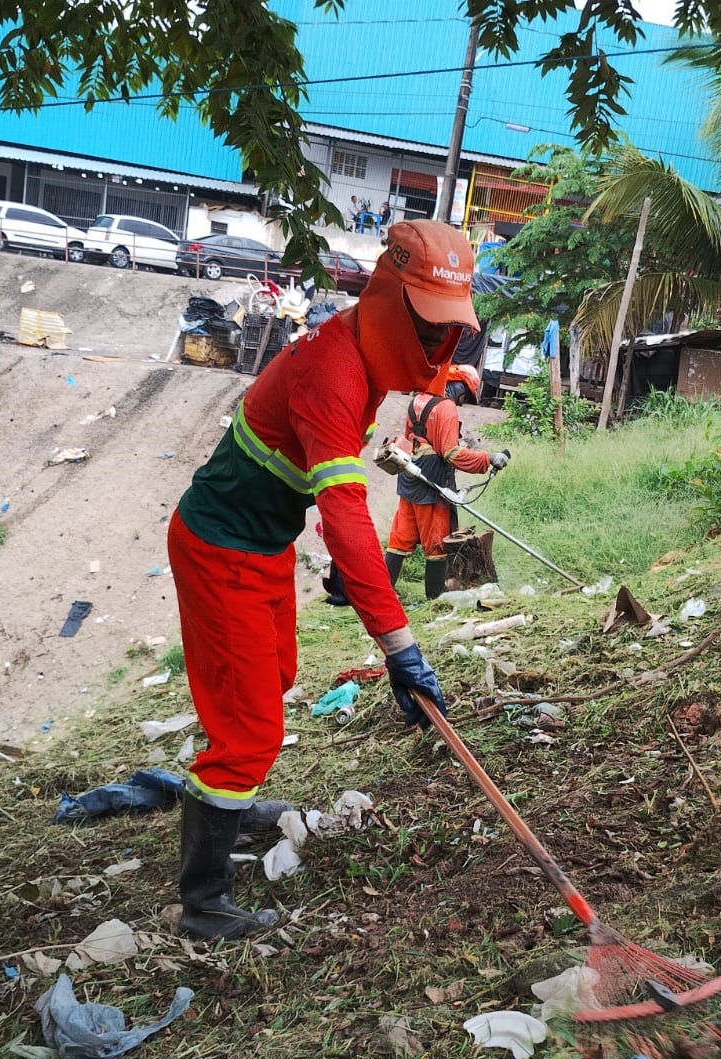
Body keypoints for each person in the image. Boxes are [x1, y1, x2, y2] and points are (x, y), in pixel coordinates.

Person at [168, 219, 472, 941]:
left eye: (446, 331)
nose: (434, 346)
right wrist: (400, 649)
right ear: (387, 299)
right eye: (424, 326)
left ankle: (229, 810)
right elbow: (344, 515)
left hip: (264, 544)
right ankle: (203, 900)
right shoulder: (332, 370)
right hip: (220, 548)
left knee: (273, 677)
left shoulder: (362, 365)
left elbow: (326, 495)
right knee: (250, 730)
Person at [384, 363, 508, 599]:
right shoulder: (446, 407)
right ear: (459, 386)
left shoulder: (417, 400)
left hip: (410, 475)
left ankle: (380, 594)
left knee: (399, 538)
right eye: (466, 394)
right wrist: (488, 458)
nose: (464, 400)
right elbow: (452, 453)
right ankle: (435, 597)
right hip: (432, 483)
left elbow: (411, 438)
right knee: (436, 544)